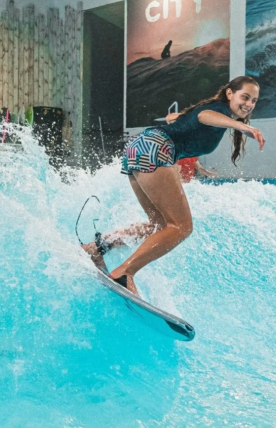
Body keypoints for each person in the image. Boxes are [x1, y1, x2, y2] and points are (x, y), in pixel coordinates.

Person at [82, 76, 265, 295]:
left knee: (159, 226)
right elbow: (206, 116)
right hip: (156, 149)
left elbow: (173, 117)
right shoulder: (218, 111)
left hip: (138, 147)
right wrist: (240, 125)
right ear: (229, 94)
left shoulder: (213, 112)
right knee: (182, 227)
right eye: (245, 97)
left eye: (253, 101)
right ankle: (124, 272)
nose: (249, 104)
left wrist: (185, 127)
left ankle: (98, 246)